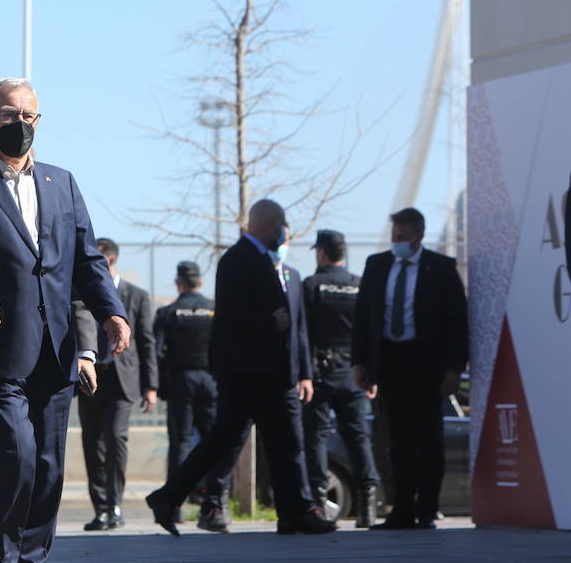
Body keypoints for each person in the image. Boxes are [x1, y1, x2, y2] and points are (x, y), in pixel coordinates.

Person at [0, 78, 128, 563]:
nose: (19, 122)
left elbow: (86, 259)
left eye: (29, 113)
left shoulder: (61, 183)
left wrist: (111, 311)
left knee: (48, 468)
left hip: (55, 352)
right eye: (8, 112)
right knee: (15, 454)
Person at [145, 200, 335, 536]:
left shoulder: (276, 266)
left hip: (278, 375)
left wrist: (301, 370)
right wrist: (270, 321)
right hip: (247, 374)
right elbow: (232, 319)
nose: (283, 230)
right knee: (224, 439)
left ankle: (294, 512)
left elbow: (298, 328)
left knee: (287, 444)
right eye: (280, 224)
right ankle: (167, 497)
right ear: (268, 224)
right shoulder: (238, 261)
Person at [352, 208, 468, 531]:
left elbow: (458, 322)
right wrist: (360, 362)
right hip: (390, 361)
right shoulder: (377, 266)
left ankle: (427, 507)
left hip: (426, 363)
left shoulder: (441, 269)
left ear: (417, 237)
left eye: (402, 237)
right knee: (398, 439)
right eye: (393, 237)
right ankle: (401, 508)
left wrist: (454, 368)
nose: (396, 242)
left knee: (428, 437)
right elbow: (363, 318)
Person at [76, 238, 157, 532]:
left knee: (115, 438)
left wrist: (151, 386)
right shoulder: (82, 293)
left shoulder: (136, 295)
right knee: (92, 442)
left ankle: (116, 504)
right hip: (91, 376)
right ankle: (100, 509)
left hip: (123, 379)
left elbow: (147, 341)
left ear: (109, 261)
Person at [302, 229, 379, 527]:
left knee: (317, 436)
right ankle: (368, 506)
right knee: (358, 437)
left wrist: (304, 374)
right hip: (355, 372)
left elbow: (303, 334)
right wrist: (372, 372)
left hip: (320, 373)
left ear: (321, 253)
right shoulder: (359, 286)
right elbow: (372, 330)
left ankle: (319, 502)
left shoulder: (312, 286)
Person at [153, 262, 216, 526]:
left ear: (179, 283)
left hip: (181, 383)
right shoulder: (214, 311)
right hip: (212, 382)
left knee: (180, 443)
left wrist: (161, 387)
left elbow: (157, 352)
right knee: (215, 444)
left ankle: (174, 507)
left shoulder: (168, 312)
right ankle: (214, 504)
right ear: (200, 283)